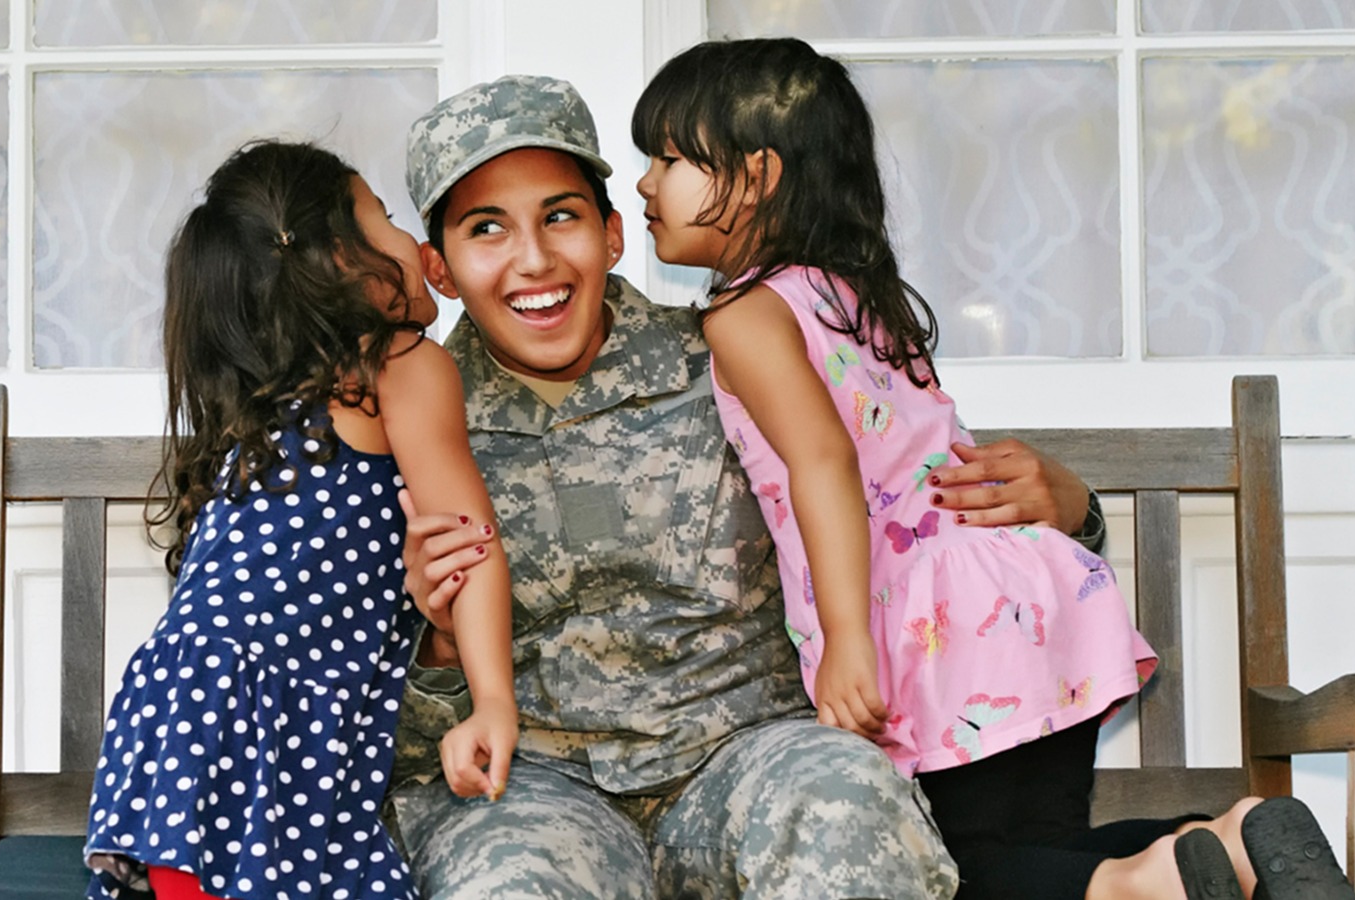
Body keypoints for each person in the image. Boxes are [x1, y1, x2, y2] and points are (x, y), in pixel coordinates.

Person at [626, 37, 1355, 900]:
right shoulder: (854, 293)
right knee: (1042, 843)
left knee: (956, 870)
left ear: (755, 175)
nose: (645, 183)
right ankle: (1232, 838)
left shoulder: (746, 315)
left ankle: (1145, 883)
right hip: (1028, 589)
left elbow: (823, 461)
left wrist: (848, 642)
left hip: (932, 629)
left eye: (669, 159)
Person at [382, 74, 1102, 900]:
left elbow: (906, 506)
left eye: (561, 216)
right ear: (439, 267)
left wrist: (1075, 516)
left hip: (753, 756)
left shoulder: (734, 359)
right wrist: (437, 656)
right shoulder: (405, 424)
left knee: (848, 807)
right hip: (537, 789)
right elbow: (350, 732)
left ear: (613, 234)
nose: (535, 259)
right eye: (487, 229)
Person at [80, 141, 519, 900]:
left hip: (187, 708)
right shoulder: (400, 364)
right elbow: (469, 543)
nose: (414, 242)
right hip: (259, 720)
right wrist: (492, 703)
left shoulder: (272, 403)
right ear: (338, 261)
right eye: (385, 221)